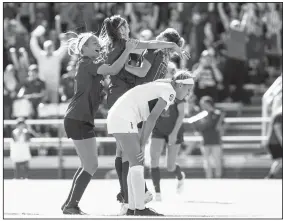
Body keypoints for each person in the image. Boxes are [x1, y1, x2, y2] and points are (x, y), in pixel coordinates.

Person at [100, 14, 186, 212]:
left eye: (127, 25)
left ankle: (128, 198)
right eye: (123, 26)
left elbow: (148, 46)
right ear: (117, 30)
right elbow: (149, 47)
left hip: (124, 96)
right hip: (125, 98)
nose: (127, 28)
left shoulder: (123, 44)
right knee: (130, 151)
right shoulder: (124, 44)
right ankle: (132, 198)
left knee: (123, 151)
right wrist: (171, 47)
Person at [61, 31, 139, 215]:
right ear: (84, 48)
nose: (98, 44)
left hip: (80, 118)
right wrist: (128, 50)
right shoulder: (87, 62)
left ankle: (69, 204)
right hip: (78, 118)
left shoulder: (90, 64)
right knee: (91, 165)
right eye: (94, 42)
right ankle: (71, 205)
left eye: (98, 41)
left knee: (86, 164)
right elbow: (112, 69)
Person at [107, 70, 194, 216]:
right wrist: (142, 143)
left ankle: (131, 207)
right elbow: (152, 118)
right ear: (180, 85)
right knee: (138, 164)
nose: (189, 93)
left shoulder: (165, 86)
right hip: (123, 118)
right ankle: (140, 209)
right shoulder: (169, 91)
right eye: (188, 89)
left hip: (120, 117)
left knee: (134, 164)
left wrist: (141, 142)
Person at [148, 68, 187, 201]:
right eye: (164, 72)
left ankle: (180, 176)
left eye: (169, 72)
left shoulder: (178, 93)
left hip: (173, 130)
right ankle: (157, 193)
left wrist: (174, 133)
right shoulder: (155, 90)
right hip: (158, 130)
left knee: (170, 166)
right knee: (154, 159)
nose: (166, 75)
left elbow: (181, 115)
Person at [193, 96, 225, 178]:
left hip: (215, 140)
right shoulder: (201, 115)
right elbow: (198, 127)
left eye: (203, 104)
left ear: (208, 104)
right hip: (205, 140)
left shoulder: (218, 114)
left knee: (217, 160)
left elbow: (219, 127)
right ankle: (208, 177)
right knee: (206, 161)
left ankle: (218, 177)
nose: (202, 106)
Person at [265, 106, 282, 179]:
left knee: (279, 160)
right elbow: (277, 129)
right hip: (275, 142)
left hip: (275, 141)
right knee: (279, 160)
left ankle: (270, 176)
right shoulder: (279, 116)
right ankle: (270, 176)